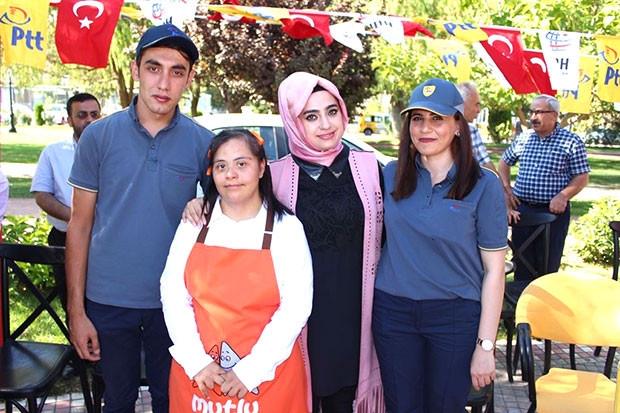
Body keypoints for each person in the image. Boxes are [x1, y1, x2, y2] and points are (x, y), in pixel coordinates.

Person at [183, 72, 385, 413]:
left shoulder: (370, 168)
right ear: (293, 121)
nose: (325, 124)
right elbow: (232, 203)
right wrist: (201, 203)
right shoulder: (274, 176)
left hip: (354, 314)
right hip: (293, 320)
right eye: (311, 116)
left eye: (331, 111)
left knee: (342, 399)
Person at [65, 23, 213, 413]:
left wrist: (205, 207)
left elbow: (228, 216)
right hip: (108, 300)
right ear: (135, 70)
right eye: (153, 67)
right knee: (117, 401)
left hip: (176, 302)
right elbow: (79, 226)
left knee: (172, 401)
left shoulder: (203, 143)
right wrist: (76, 312)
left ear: (189, 79)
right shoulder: (98, 136)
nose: (163, 82)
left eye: (177, 71)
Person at [372, 78, 507, 412]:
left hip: (454, 316)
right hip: (393, 312)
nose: (425, 128)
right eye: (417, 118)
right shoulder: (390, 175)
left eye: (437, 119)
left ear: (458, 125)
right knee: (401, 407)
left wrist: (486, 346)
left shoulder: (483, 184)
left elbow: (494, 271)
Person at [161, 129, 313, 412]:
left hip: (268, 379)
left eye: (241, 164)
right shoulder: (194, 224)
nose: (231, 174)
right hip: (200, 378)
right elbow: (172, 294)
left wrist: (250, 371)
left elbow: (296, 308)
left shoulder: (287, 229)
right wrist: (197, 361)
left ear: (261, 168)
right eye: (221, 166)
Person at [498, 94, 590, 282]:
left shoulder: (571, 141)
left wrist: (563, 195)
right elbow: (504, 162)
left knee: (547, 264)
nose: (533, 117)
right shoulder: (524, 138)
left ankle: (544, 299)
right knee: (522, 261)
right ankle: (521, 297)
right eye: (531, 112)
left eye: (539, 112)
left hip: (552, 212)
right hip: (523, 209)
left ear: (554, 115)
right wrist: (507, 189)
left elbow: (582, 177)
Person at [30, 93, 101, 311]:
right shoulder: (53, 153)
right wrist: (78, 218)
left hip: (105, 238)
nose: (89, 120)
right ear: (69, 120)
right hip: (64, 237)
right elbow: (42, 195)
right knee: (72, 304)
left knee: (105, 306)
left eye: (94, 114)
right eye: (81, 115)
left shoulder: (114, 152)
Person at [456, 81, 498, 173]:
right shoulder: (439, 131)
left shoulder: (472, 131)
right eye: (476, 104)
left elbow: (486, 165)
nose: (479, 110)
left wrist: (498, 182)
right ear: (462, 104)